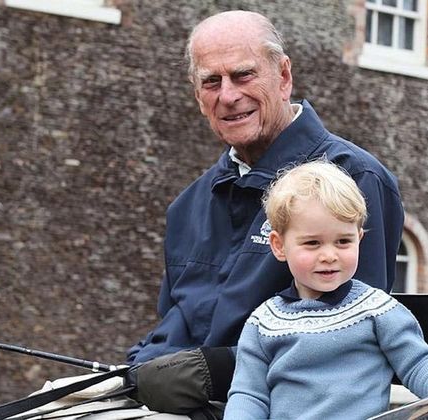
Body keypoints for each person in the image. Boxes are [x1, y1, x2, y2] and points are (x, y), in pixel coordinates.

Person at [127, 10, 405, 414]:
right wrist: (138, 368)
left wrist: (212, 370)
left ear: (284, 76)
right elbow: (174, 328)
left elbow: (351, 337)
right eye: (211, 82)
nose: (228, 95)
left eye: (243, 75)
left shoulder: (353, 178)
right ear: (197, 95)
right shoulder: (187, 206)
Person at [222, 160, 428, 419]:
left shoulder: (376, 309)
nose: (329, 255)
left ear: (359, 239)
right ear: (279, 246)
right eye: (312, 243)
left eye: (343, 241)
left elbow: (416, 359)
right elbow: (248, 395)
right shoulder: (264, 323)